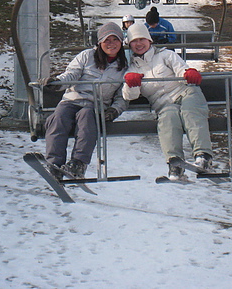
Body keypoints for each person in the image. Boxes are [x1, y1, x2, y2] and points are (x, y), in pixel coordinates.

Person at [122, 22, 213, 180]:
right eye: (134, 41)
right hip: (164, 104)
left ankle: (203, 156)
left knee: (190, 112)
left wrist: (188, 73)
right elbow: (129, 96)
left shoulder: (165, 55)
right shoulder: (133, 68)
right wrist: (131, 84)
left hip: (185, 92)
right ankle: (175, 164)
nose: (139, 44)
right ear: (129, 44)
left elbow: (180, 67)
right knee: (167, 120)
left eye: (142, 39)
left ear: (149, 40)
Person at [40, 22, 128, 179]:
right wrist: (57, 83)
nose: (111, 44)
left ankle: (78, 163)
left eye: (115, 40)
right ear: (100, 42)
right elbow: (72, 74)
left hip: (95, 105)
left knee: (87, 117)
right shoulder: (86, 56)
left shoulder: (123, 67)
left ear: (121, 42)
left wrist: (114, 110)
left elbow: (123, 95)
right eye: (107, 40)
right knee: (58, 118)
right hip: (73, 99)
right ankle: (54, 164)